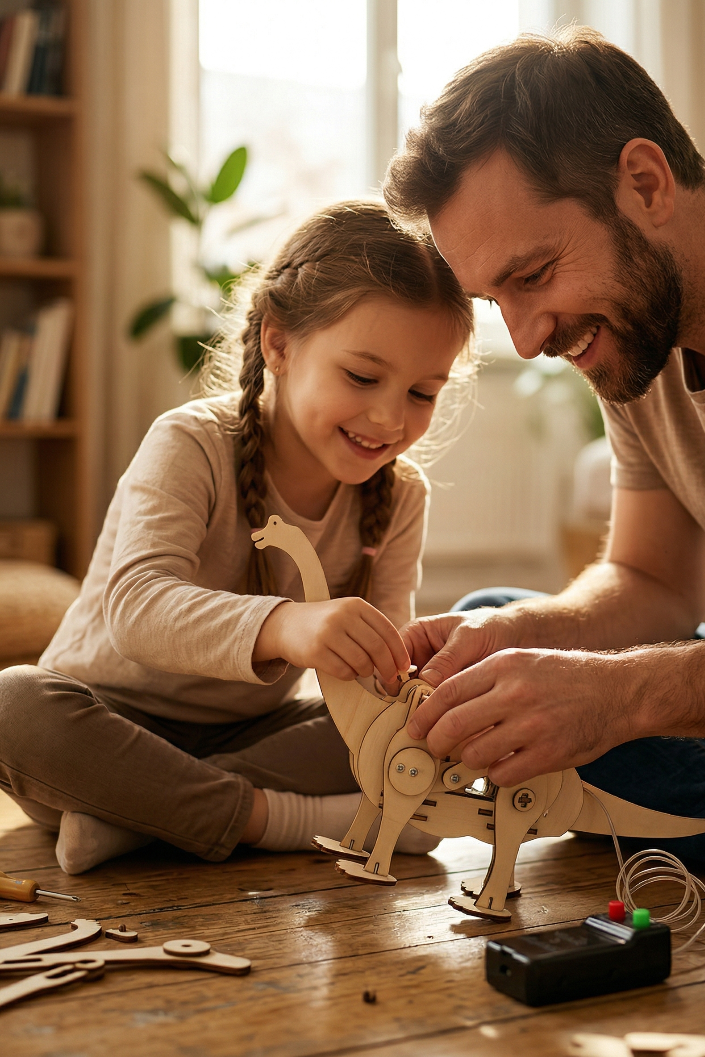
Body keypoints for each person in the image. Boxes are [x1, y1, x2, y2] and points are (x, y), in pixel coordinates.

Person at [382, 26, 705, 890]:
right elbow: (652, 582)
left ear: (644, 183)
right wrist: (525, 639)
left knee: (601, 702)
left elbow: (639, 679)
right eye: (495, 299)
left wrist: (619, 697)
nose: (529, 339)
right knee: (497, 641)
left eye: (532, 275)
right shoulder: (637, 338)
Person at [0, 201, 475, 875]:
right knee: (12, 706)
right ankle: (278, 821)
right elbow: (135, 607)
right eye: (363, 377)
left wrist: (411, 674)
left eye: (423, 393)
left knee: (407, 732)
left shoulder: (401, 496)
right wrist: (286, 626)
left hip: (235, 741)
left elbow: (373, 681)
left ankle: (138, 817)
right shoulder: (190, 442)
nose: (389, 417)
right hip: (106, 720)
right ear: (278, 343)